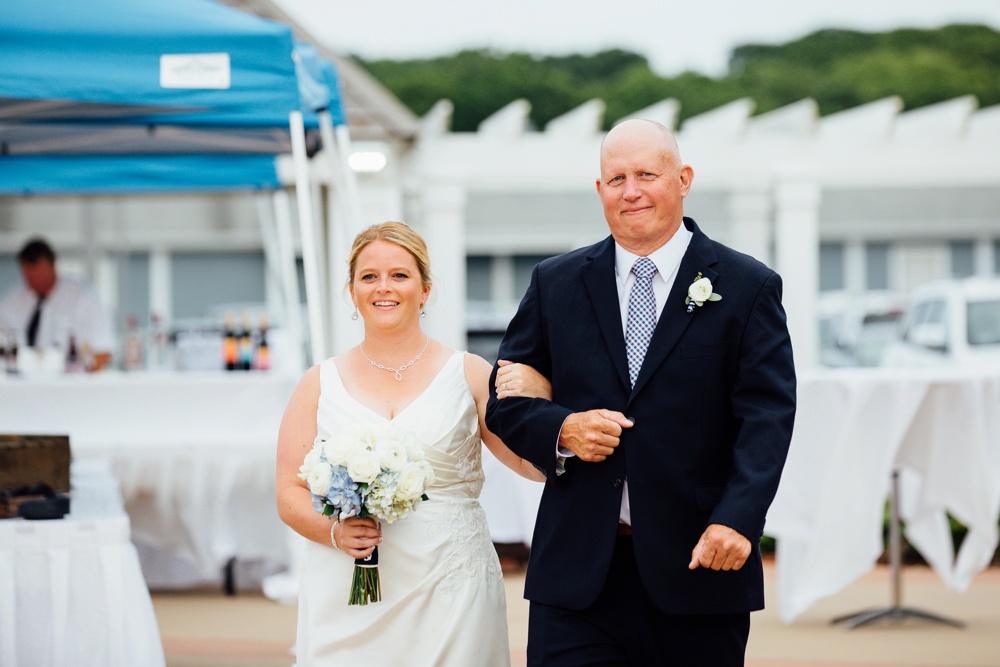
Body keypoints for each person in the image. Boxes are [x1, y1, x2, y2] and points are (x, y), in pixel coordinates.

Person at [485, 119, 797, 666]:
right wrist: (563, 429)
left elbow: (767, 416)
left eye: (647, 175)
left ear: (684, 179)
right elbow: (504, 403)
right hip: (576, 575)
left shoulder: (748, 286)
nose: (630, 191)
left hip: (698, 566)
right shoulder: (555, 283)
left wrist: (738, 518)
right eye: (616, 179)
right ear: (600, 189)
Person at [275, 221, 546, 666]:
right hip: (347, 587)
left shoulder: (470, 373)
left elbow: (526, 461)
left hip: (452, 587)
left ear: (425, 290)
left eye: (399, 275)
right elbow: (289, 491)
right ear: (352, 292)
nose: (384, 287)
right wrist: (335, 532)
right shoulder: (318, 383)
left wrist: (554, 410)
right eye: (369, 276)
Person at [0, 237, 114, 371]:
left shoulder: (83, 297)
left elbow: (103, 348)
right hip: (21, 380)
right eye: (30, 277)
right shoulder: (10, 302)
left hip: (71, 380)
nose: (36, 282)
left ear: (53, 265)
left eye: (40, 276)